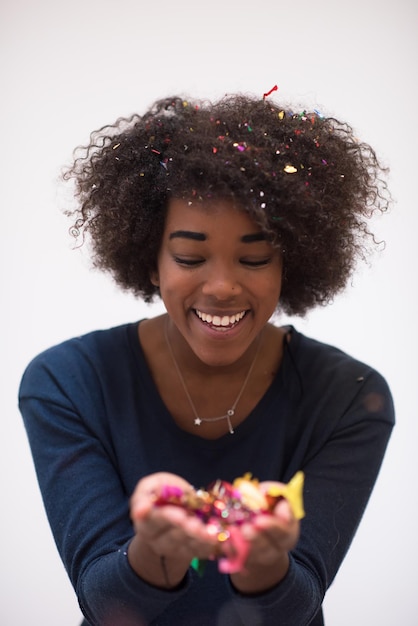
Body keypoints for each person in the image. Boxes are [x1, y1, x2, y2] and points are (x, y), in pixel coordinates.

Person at [19, 93, 394, 626]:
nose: (221, 286)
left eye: (255, 257)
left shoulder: (349, 396)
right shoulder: (67, 383)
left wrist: (263, 558)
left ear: (293, 261)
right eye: (190, 257)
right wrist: (155, 549)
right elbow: (102, 601)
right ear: (150, 260)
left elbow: (298, 604)